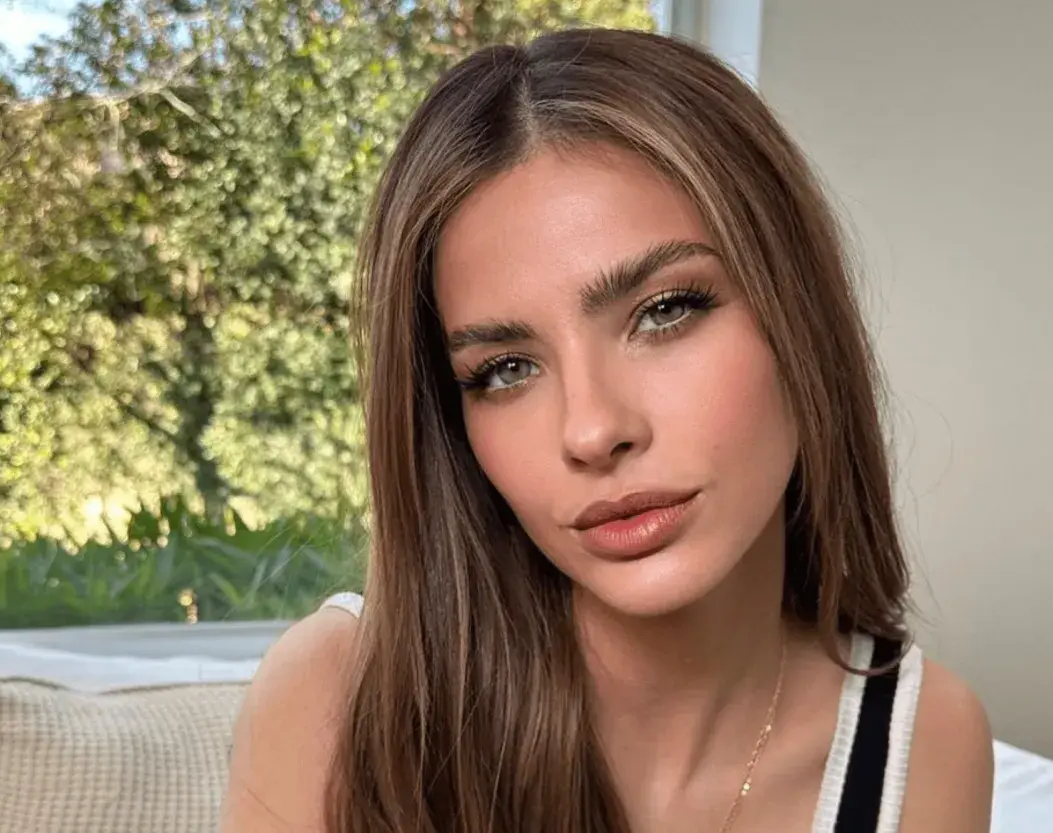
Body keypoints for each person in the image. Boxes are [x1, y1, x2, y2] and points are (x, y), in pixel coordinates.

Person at [220, 27, 993, 833]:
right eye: (505, 370)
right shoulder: (335, 699)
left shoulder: (924, 742)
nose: (592, 430)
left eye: (665, 311)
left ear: (798, 312)